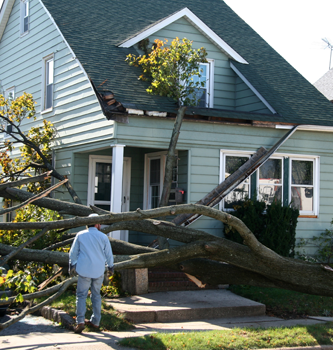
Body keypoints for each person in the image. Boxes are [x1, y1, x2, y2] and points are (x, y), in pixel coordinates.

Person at [69, 213, 114, 333]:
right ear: (97, 224)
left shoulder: (80, 235)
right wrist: (110, 266)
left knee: (81, 295)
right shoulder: (103, 237)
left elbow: (73, 252)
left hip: (84, 269)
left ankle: (80, 321)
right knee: (96, 295)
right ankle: (96, 321)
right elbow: (108, 254)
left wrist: (72, 264)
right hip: (98, 270)